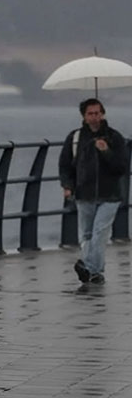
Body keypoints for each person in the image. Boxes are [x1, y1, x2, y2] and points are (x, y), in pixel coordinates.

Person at [59, 98, 128, 285]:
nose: (95, 117)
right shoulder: (75, 138)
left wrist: (106, 151)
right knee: (87, 235)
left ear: (103, 113)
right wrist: (67, 186)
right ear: (84, 116)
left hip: (110, 195)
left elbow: (121, 167)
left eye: (97, 113)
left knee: (99, 232)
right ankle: (95, 273)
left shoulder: (115, 138)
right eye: (90, 114)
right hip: (84, 194)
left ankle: (88, 266)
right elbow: (65, 165)